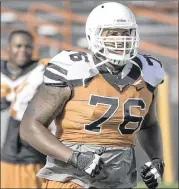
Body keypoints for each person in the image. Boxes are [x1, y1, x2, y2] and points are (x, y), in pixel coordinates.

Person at [20, 2, 165, 189]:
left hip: (118, 180)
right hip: (71, 180)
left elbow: (149, 124)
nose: (120, 40)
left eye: (125, 32)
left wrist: (157, 160)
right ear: (93, 34)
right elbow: (29, 127)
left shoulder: (147, 72)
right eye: (112, 33)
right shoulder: (73, 69)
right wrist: (75, 158)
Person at [1, 30, 50, 188]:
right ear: (8, 47)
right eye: (18, 46)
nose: (23, 50)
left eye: (28, 46)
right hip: (5, 153)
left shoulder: (41, 70)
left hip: (33, 155)